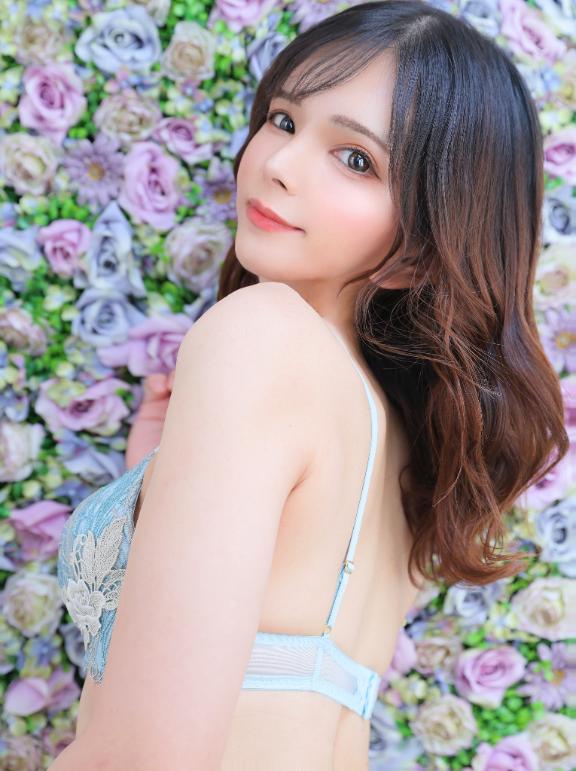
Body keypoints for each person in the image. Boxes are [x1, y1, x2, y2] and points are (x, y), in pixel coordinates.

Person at [52, 1, 570, 770]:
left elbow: (150, 756)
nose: (280, 164)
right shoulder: (404, 451)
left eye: (356, 159)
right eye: (285, 120)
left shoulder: (259, 334)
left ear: (422, 249)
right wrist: (159, 479)